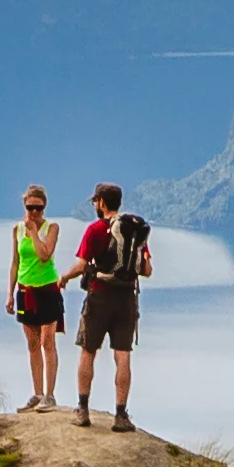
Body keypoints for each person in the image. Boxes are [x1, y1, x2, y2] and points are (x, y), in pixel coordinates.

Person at [68, 182, 149, 431]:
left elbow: (81, 266)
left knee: (88, 351)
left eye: (95, 201)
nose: (94, 205)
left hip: (99, 297)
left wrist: (63, 278)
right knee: (122, 356)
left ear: (102, 202)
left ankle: (82, 409)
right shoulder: (134, 232)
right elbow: (146, 270)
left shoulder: (95, 230)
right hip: (126, 299)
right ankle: (121, 415)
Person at [4, 186, 67, 411]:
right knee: (32, 344)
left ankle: (50, 395)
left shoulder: (52, 228)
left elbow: (44, 255)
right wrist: (10, 294)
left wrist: (33, 232)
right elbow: (15, 262)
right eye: (30, 207)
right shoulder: (17, 230)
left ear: (44, 207)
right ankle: (37, 392)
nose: (34, 212)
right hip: (25, 291)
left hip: (47, 290)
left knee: (47, 342)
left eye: (38, 208)